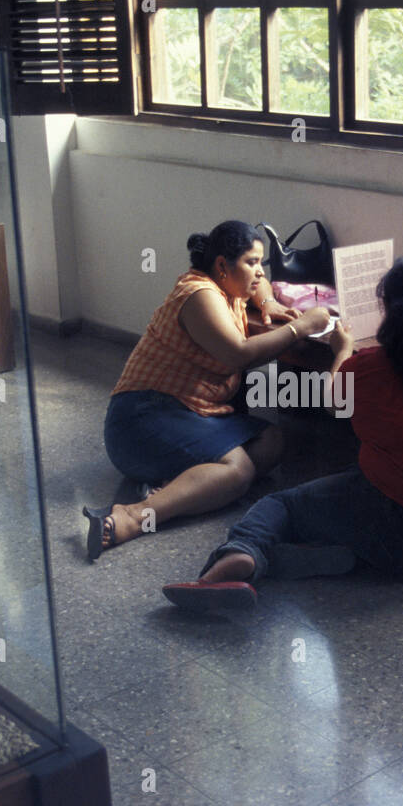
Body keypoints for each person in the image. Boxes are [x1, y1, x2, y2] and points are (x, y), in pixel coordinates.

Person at [162, 254, 403, 610]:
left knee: (280, 505)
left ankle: (237, 558)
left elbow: (331, 400)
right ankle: (334, 558)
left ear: (386, 310)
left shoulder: (367, 366)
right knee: (357, 488)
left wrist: (342, 349)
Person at [86, 219, 333, 560]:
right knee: (240, 470)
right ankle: (136, 515)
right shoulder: (199, 294)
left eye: (260, 263)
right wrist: (301, 327)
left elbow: (257, 285)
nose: (260, 273)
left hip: (194, 413)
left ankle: (179, 486)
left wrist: (268, 302)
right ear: (221, 265)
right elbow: (239, 353)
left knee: (272, 442)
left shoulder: (229, 286)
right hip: (141, 418)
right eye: (252, 263)